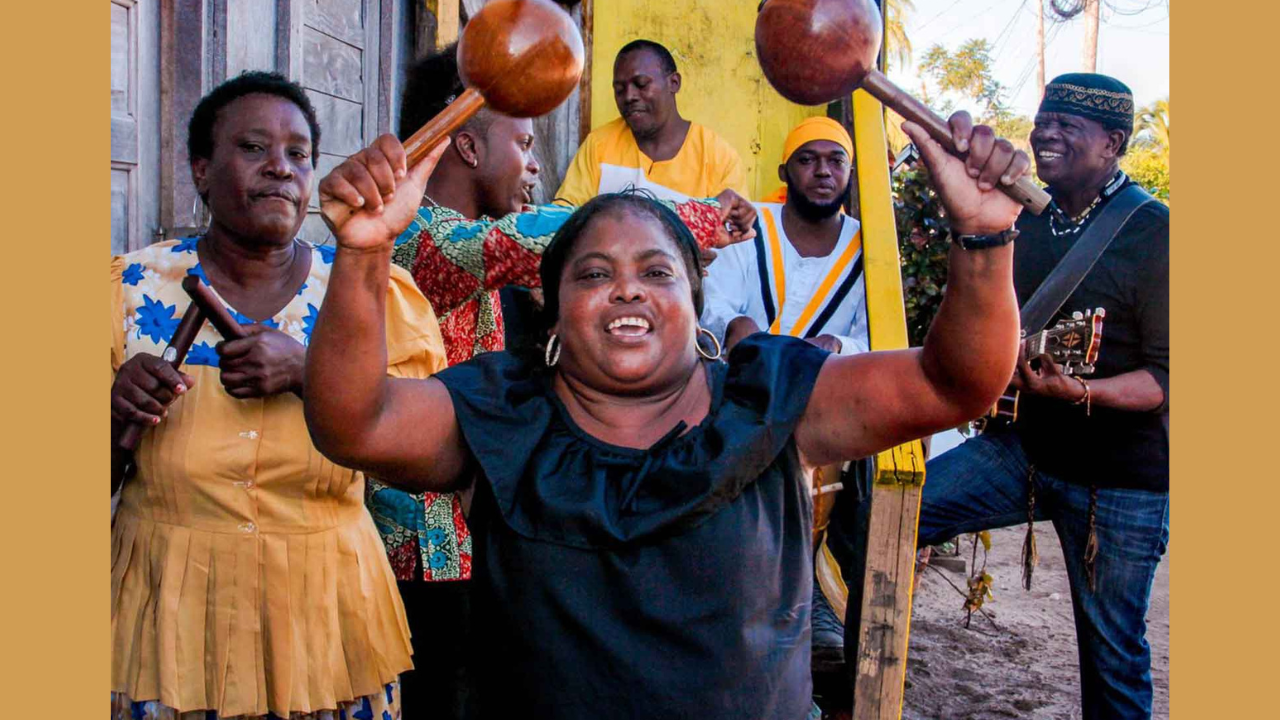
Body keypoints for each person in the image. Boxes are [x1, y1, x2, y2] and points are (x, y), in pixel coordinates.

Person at [302, 101, 1029, 718]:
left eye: (657, 272)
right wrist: (365, 251)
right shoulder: (504, 410)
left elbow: (954, 385)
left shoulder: (769, 397)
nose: (627, 289)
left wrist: (986, 237)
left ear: (695, 303)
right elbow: (353, 423)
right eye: (593, 273)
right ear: (553, 315)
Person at [372, 45, 760, 719]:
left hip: (470, 534)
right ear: (465, 147)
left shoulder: (474, 237)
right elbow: (540, 238)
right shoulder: (418, 240)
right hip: (419, 545)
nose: (533, 164)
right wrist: (689, 221)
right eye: (522, 143)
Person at [109, 71, 447, 720]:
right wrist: (111, 412)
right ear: (202, 171)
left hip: (328, 617)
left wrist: (308, 373)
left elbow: (421, 457)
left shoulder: (367, 291)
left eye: (299, 155)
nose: (280, 169)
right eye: (253, 148)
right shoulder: (127, 290)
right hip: (165, 615)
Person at [915, 74, 1169, 720]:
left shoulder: (1154, 232)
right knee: (895, 513)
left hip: (1117, 482)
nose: (1044, 134)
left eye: (1067, 125)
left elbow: (1166, 381)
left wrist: (1079, 389)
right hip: (1022, 451)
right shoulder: (1021, 215)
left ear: (1112, 143)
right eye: (1042, 120)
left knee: (1111, 656)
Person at [701, 116, 869, 670]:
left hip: (828, 400)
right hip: (743, 393)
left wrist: (837, 343)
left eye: (835, 160)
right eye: (808, 159)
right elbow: (716, 305)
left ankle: (820, 594)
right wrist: (736, 328)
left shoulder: (870, 249)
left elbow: (878, 333)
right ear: (785, 171)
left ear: (849, 172)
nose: (822, 171)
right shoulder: (754, 229)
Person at [556, 39, 749, 205]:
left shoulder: (718, 158)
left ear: (673, 83)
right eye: (620, 89)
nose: (629, 96)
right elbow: (565, 216)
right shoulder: (599, 146)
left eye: (641, 84)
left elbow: (733, 238)